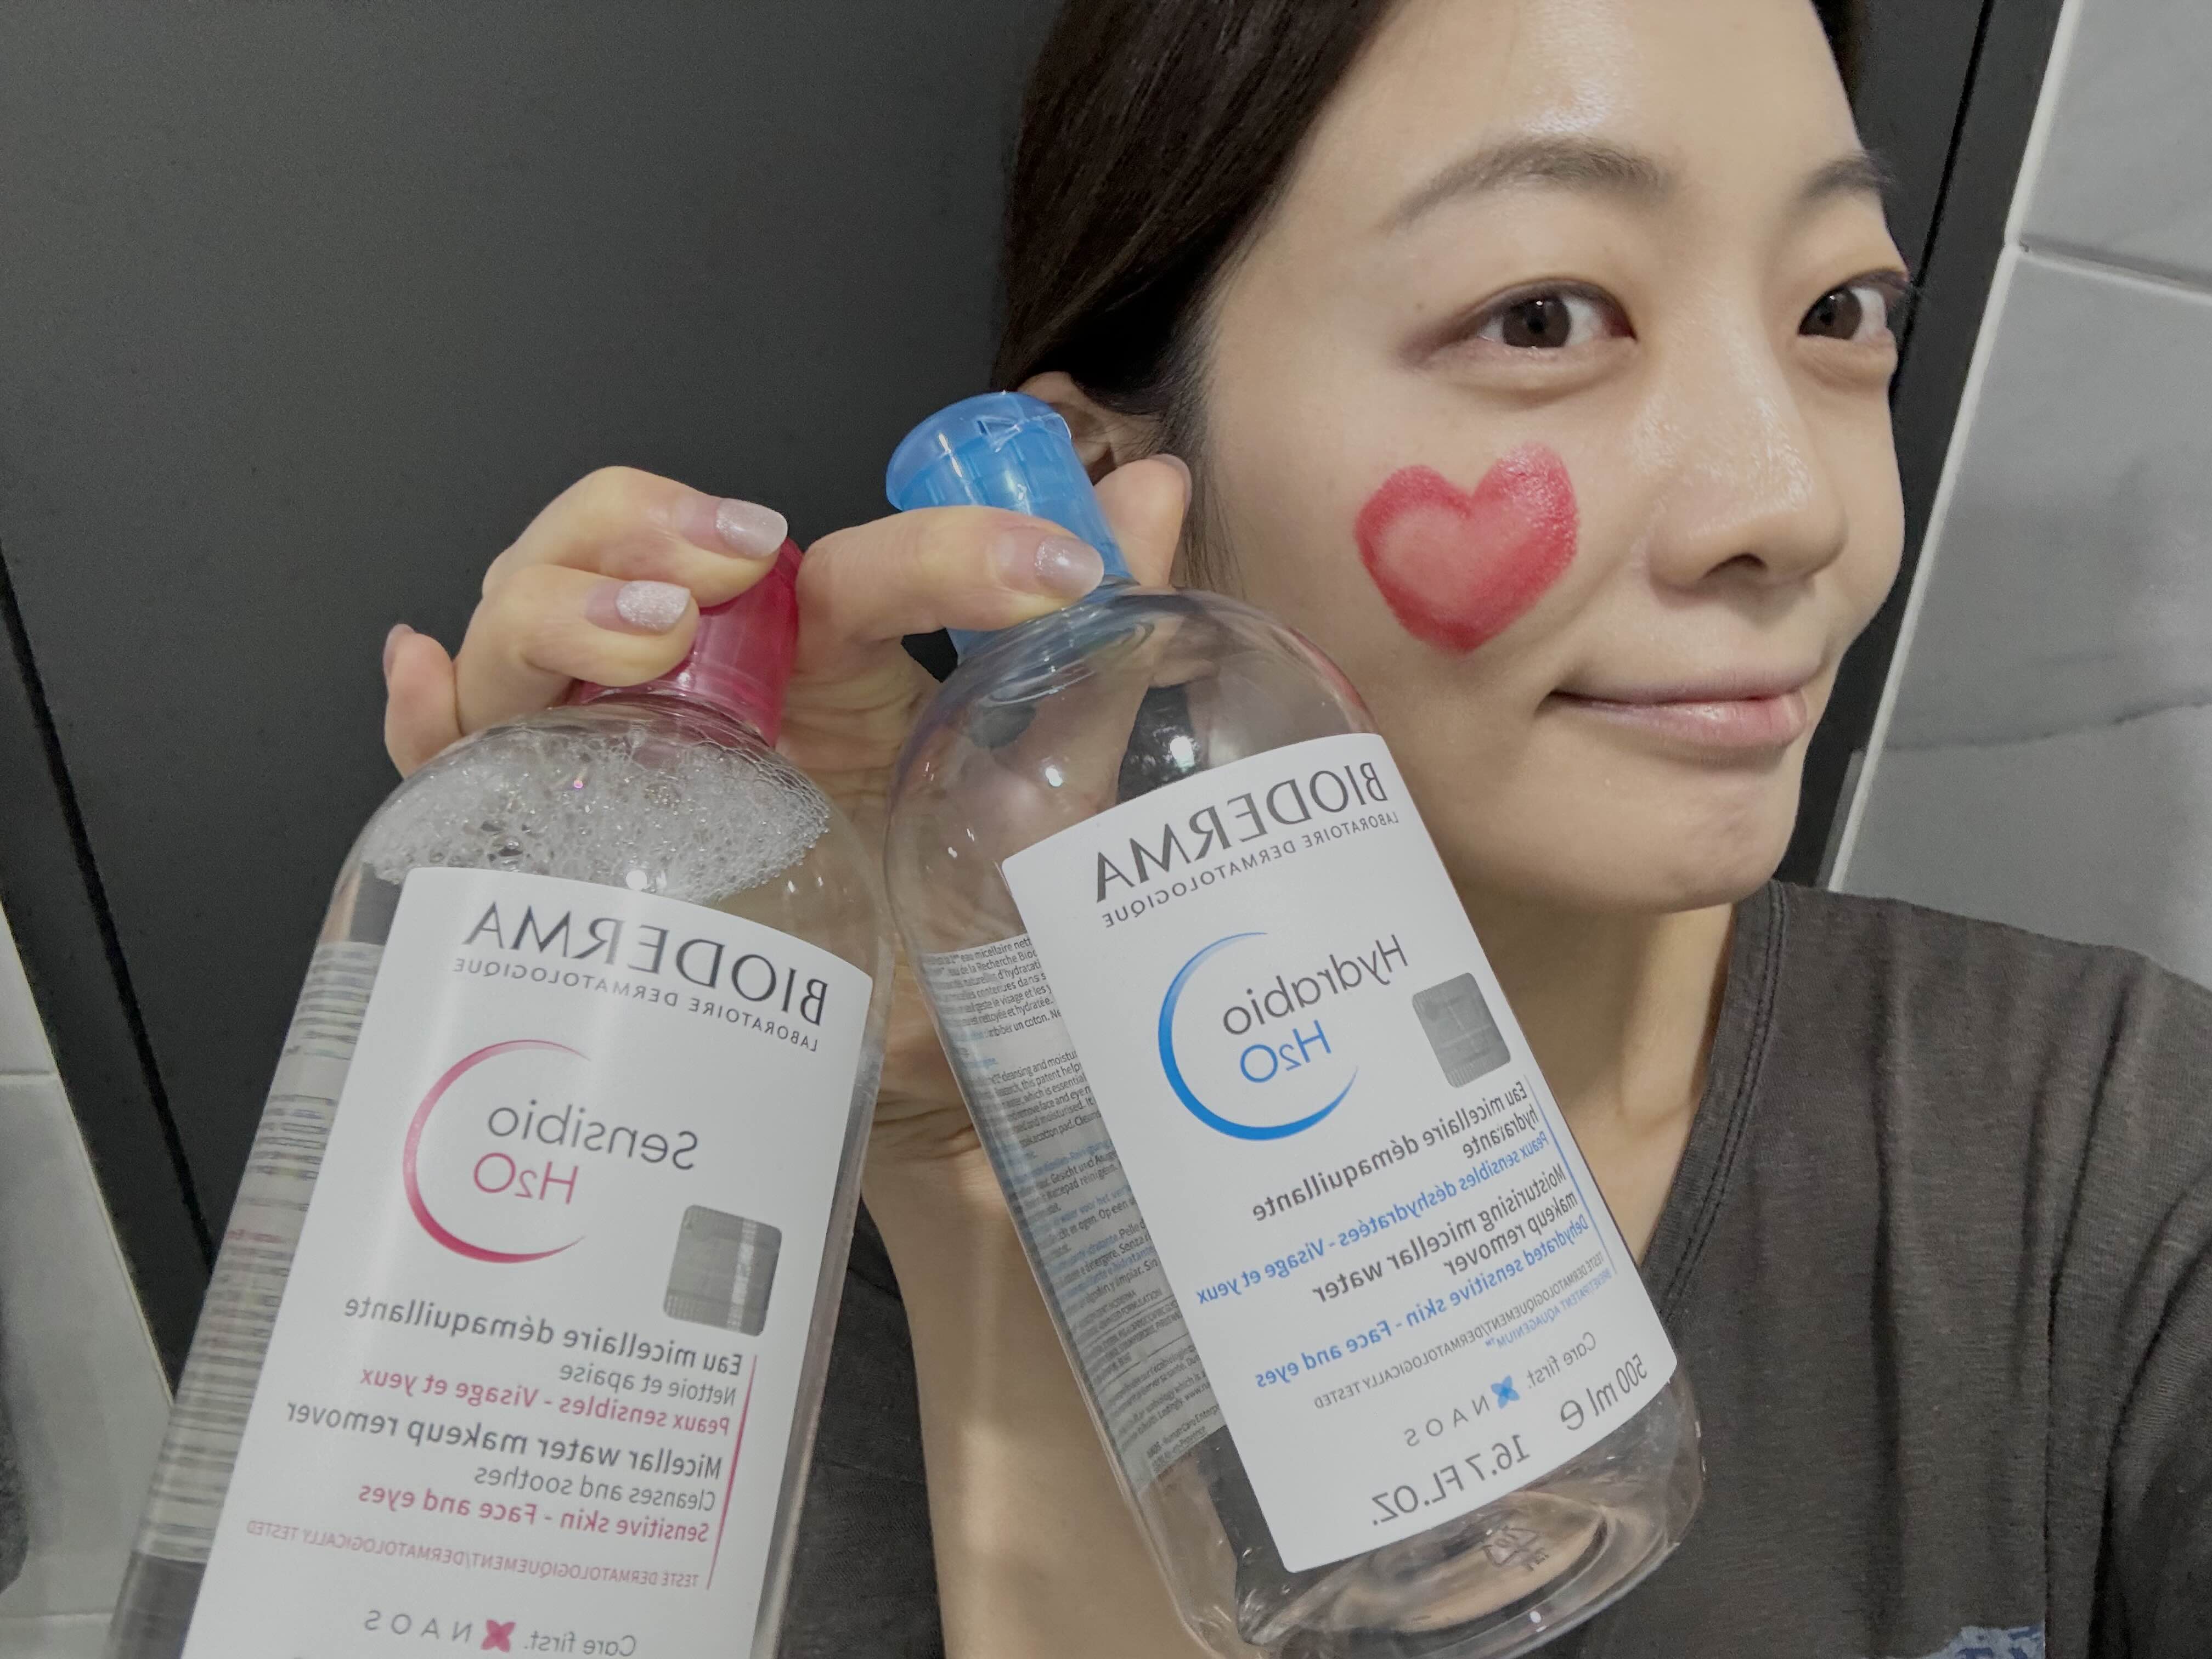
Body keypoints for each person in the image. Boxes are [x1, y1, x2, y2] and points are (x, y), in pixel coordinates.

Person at [378, 2, 2211, 1654]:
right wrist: (970, 1160)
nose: (1795, 505)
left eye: (1839, 311)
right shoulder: (714, 1348)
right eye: (1544, 316)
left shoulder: (2119, 1163)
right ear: (1106, 484)